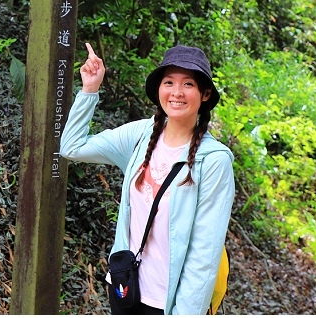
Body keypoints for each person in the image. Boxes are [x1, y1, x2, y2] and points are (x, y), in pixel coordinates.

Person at [60, 43, 235, 315]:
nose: (176, 92)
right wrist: (90, 89)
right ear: (158, 90)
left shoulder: (213, 161)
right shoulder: (141, 135)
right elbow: (72, 148)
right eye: (169, 82)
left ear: (205, 94)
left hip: (168, 304)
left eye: (188, 84)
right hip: (124, 288)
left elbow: (205, 254)